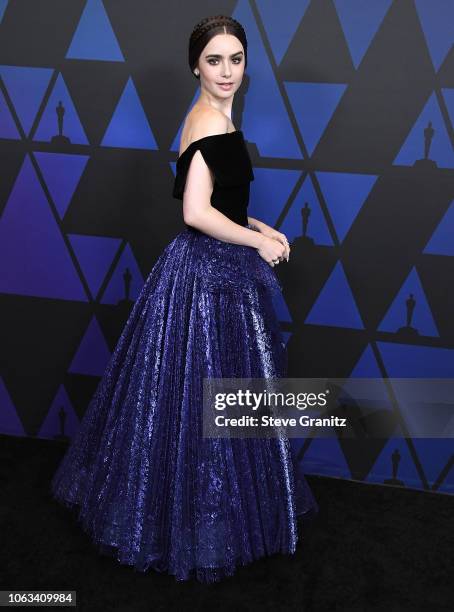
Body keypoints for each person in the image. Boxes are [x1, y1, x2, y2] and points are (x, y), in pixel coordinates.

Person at [50, 14, 318, 584]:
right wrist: (256, 242)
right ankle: (190, 524)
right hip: (203, 281)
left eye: (236, 59)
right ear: (195, 64)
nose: (227, 71)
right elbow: (194, 214)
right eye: (215, 60)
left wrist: (261, 227)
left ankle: (215, 514)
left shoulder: (220, 115)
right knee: (194, 402)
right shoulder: (204, 121)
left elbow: (220, 199)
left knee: (208, 401)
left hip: (218, 268)